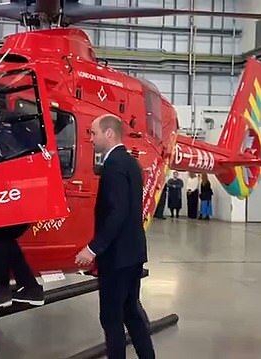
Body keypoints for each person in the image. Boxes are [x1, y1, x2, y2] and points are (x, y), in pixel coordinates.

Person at [75, 114, 155, 359]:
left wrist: (92, 249)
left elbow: (117, 212)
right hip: (133, 254)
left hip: (118, 258)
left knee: (111, 317)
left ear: (109, 134)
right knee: (131, 311)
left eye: (94, 133)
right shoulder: (131, 162)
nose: (91, 139)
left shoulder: (114, 164)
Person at [0, 99, 45, 311]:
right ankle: (30, 288)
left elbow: (32, 152)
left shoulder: (14, 123)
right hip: (6, 199)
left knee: (0, 235)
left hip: (25, 196)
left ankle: (1, 290)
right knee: (3, 237)